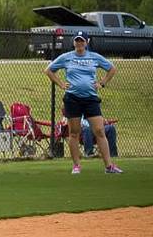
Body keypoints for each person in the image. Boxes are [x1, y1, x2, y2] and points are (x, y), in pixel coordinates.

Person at [44, 31, 121, 174]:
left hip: (91, 99)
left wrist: (102, 83)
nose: (79, 43)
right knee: (74, 132)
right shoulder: (66, 57)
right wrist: (61, 84)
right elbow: (49, 70)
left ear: (87, 42)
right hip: (72, 99)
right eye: (77, 41)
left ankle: (109, 166)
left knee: (99, 130)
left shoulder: (94, 57)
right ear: (74, 42)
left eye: (82, 41)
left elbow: (112, 69)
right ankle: (76, 166)